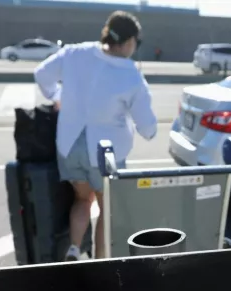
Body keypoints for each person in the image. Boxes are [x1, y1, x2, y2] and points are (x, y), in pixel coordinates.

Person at [34, 11, 158, 261]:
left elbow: (42, 74)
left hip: (69, 146)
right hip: (105, 155)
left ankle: (73, 249)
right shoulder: (131, 75)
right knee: (106, 208)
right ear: (129, 41)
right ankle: (101, 261)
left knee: (81, 199)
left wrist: (56, 97)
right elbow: (148, 129)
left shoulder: (75, 53)